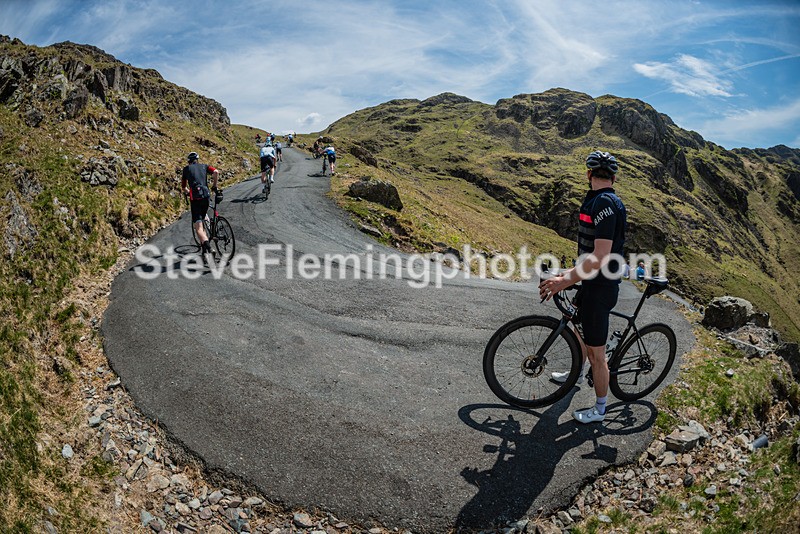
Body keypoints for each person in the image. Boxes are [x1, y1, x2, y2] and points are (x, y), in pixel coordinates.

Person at [538, 150, 627, 424]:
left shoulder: (604, 204)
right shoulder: (600, 200)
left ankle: (599, 410)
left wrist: (565, 280)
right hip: (591, 281)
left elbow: (600, 256)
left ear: (589, 174)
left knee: (597, 356)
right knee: (577, 324)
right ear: (612, 176)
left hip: (600, 287)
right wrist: (566, 273)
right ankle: (577, 371)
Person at [181, 151, 219, 257]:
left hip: (195, 199)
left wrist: (188, 192)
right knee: (204, 215)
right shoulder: (204, 166)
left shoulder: (186, 169)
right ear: (197, 160)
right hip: (206, 196)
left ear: (189, 161)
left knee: (198, 228)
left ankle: (209, 247)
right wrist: (214, 186)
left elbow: (183, 187)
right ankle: (208, 231)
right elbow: (216, 172)